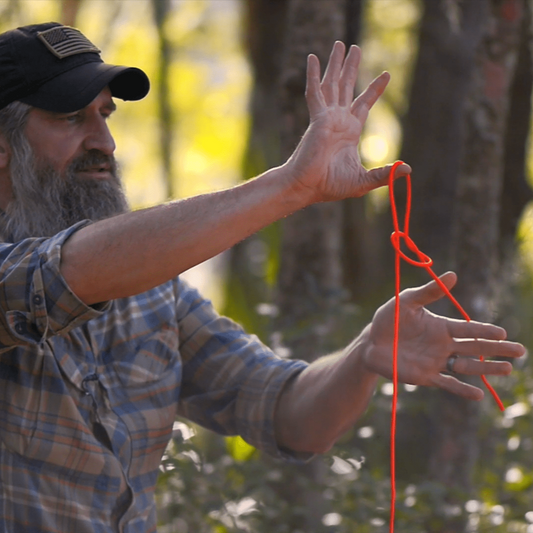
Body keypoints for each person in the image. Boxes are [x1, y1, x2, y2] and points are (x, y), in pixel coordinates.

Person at [0, 21, 524, 533]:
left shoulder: (153, 295)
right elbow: (66, 272)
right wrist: (293, 185)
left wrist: (364, 355)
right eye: (72, 118)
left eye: (106, 115)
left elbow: (286, 412)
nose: (105, 142)